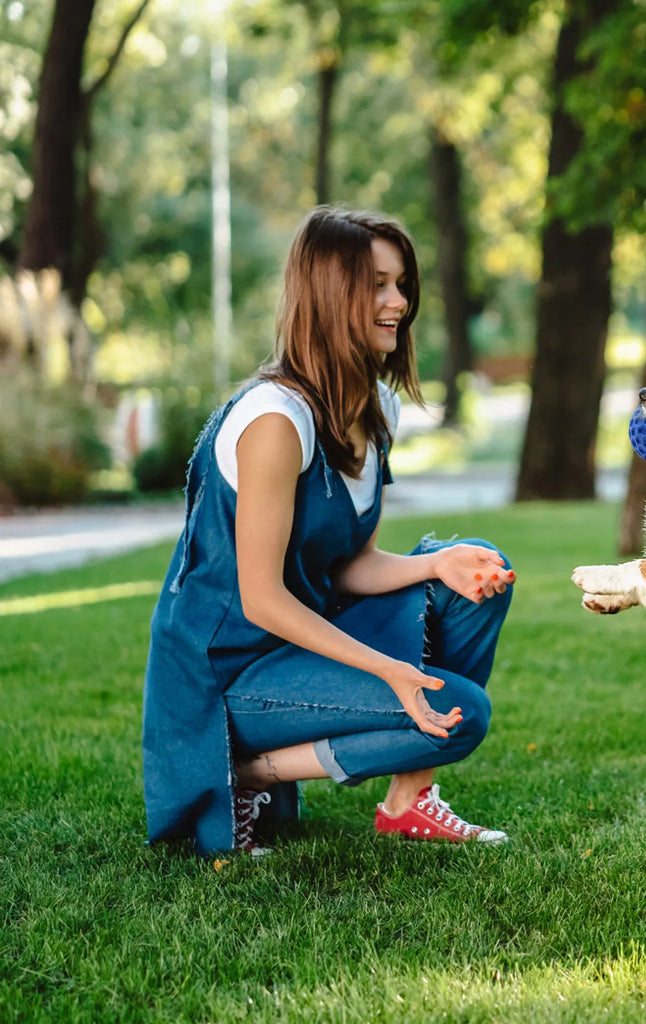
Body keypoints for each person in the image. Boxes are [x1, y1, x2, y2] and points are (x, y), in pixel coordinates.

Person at [142, 207, 515, 856]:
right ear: (327, 295)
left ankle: (409, 801)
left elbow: (349, 565)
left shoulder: (374, 407)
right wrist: (391, 669)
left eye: (400, 284)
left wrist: (437, 564)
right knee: (465, 713)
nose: (398, 302)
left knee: (479, 573)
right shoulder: (274, 422)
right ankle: (243, 771)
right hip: (230, 675)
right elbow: (259, 598)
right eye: (377, 284)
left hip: (303, 641)